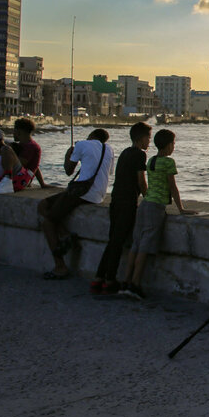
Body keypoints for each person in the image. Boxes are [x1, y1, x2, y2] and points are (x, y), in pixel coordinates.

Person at [119, 129, 195, 300]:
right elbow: (172, 187)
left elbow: (145, 182)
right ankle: (135, 284)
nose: (174, 147)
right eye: (173, 143)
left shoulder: (151, 160)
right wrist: (181, 208)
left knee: (136, 244)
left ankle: (125, 281)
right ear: (168, 145)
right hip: (156, 207)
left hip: (145, 204)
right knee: (145, 247)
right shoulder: (168, 163)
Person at [38, 128, 114, 280]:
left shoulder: (82, 144)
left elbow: (68, 171)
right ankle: (65, 234)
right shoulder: (109, 149)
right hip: (99, 195)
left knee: (47, 221)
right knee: (44, 204)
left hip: (82, 192)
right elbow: (110, 172)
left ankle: (60, 266)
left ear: (91, 136)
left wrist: (69, 154)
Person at [90, 122, 151, 295]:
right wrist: (148, 196)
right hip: (127, 202)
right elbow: (141, 180)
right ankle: (110, 280)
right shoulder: (140, 155)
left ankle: (98, 278)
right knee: (118, 242)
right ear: (141, 138)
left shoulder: (125, 152)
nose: (149, 142)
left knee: (113, 241)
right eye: (148, 138)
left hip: (116, 199)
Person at [10, 117, 53, 188]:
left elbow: (19, 164)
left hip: (21, 180)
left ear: (19, 131)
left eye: (14, 130)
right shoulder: (23, 144)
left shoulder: (31, 146)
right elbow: (35, 166)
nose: (13, 133)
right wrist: (42, 183)